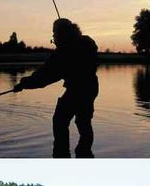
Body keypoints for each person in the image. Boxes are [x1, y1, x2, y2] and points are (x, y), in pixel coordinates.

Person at [13, 18, 99, 158]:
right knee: (83, 122)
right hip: (90, 88)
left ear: (61, 34)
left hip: (79, 90)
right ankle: (83, 153)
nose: (53, 38)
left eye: (54, 34)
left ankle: (63, 153)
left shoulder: (63, 52)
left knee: (60, 120)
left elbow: (45, 75)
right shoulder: (86, 42)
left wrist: (23, 84)